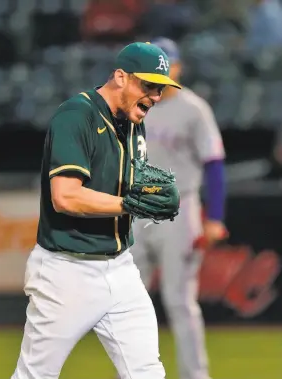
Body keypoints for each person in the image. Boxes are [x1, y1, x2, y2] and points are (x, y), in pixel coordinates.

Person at [10, 41, 181, 379]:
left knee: (147, 372)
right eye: (148, 85)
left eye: (160, 87)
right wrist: (128, 204)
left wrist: (140, 195)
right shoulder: (77, 115)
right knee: (35, 375)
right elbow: (66, 197)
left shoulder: (134, 122)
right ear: (120, 76)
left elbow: (129, 185)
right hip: (66, 271)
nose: (156, 96)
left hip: (121, 268)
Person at [130, 37, 228, 379]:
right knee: (128, 304)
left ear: (178, 67)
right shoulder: (133, 106)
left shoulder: (193, 108)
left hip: (179, 208)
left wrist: (215, 217)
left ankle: (194, 375)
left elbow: (214, 163)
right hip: (137, 209)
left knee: (179, 301)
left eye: (167, 63)